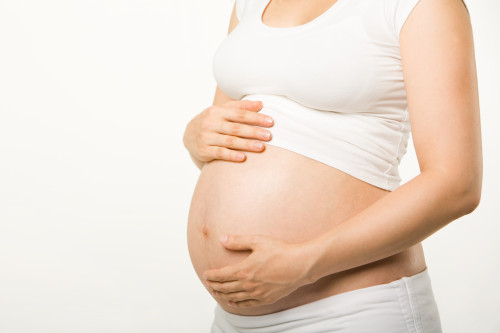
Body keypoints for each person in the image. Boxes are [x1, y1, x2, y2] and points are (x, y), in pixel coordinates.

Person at [182, 0, 482, 332]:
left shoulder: (420, 5)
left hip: (354, 309)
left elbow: (457, 184)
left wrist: (304, 264)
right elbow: (231, 140)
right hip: (233, 321)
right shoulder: (251, 4)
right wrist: (195, 138)